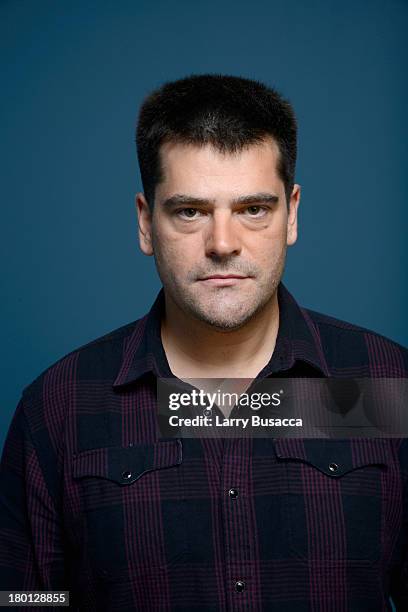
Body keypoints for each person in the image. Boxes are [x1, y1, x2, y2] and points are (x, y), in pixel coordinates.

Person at [0, 73, 407, 611]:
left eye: (253, 210)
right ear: (147, 223)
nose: (222, 244)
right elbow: (24, 600)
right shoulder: (59, 407)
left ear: (293, 213)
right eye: (190, 211)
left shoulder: (385, 386)